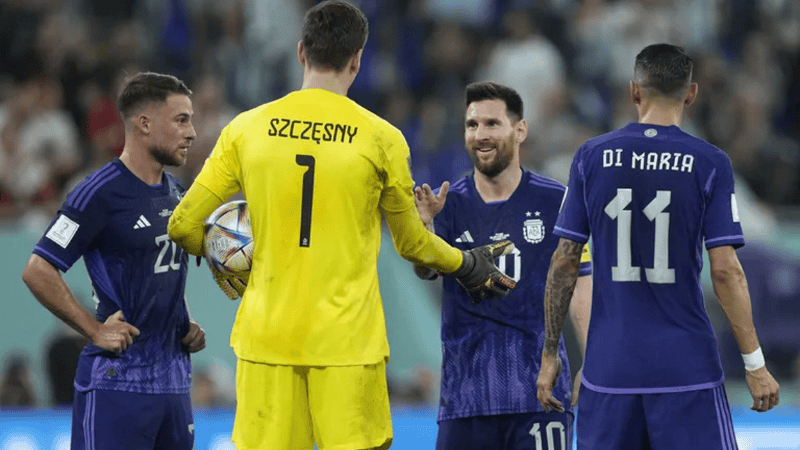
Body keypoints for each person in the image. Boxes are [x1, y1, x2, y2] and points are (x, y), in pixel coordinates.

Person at [166, 2, 514, 449]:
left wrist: (229, 266)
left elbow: (182, 224)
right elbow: (412, 245)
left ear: (300, 53)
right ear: (357, 59)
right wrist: (467, 263)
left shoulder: (245, 129)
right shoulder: (381, 137)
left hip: (266, 339)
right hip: (347, 344)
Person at [536, 44, 781, 449]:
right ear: (691, 93)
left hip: (609, 369)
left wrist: (550, 355)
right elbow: (725, 270)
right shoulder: (709, 162)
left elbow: (564, 262)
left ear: (634, 91)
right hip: (686, 370)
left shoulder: (589, 157)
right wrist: (754, 363)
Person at [21, 72, 206, 450]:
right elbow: (38, 269)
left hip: (173, 384)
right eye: (181, 120)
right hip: (116, 382)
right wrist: (94, 329)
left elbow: (162, 268)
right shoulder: (97, 193)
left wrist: (183, 320)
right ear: (144, 124)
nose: (192, 133)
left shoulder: (177, 193)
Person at [413, 81, 593, 450]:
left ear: (520, 130)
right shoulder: (448, 204)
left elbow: (581, 287)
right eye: (472, 125)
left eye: (492, 123)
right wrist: (425, 232)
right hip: (466, 398)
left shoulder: (556, 200)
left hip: (541, 394)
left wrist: (592, 364)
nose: (480, 134)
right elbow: (426, 271)